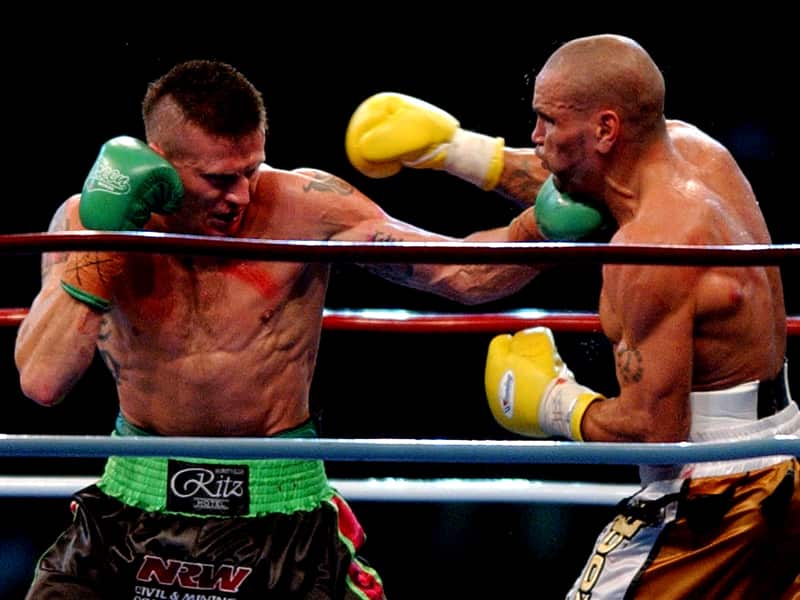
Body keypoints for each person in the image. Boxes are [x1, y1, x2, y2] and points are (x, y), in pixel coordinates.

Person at [13, 59, 606, 599]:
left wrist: (540, 228)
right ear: (158, 164)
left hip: (282, 515)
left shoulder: (306, 206)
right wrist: (104, 241)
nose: (240, 195)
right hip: (128, 509)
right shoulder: (86, 220)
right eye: (219, 179)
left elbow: (460, 275)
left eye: (251, 169)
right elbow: (42, 382)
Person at [344, 35, 800, 599]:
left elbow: (657, 433)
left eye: (547, 121)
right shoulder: (693, 151)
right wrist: (453, 150)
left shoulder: (649, 253)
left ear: (606, 129)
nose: (535, 138)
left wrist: (554, 401)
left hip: (712, 492)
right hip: (782, 455)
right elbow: (572, 180)